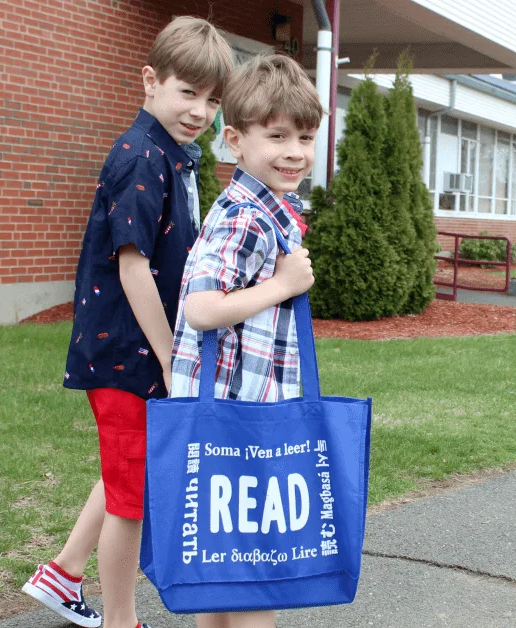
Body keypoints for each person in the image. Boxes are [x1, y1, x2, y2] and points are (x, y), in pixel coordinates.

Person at [22, 16, 233, 628]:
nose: (200, 111)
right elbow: (134, 269)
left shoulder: (172, 154)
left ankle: (62, 574)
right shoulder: (142, 156)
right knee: (131, 501)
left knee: (126, 472)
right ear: (151, 80)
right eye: (188, 93)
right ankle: (121, 621)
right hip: (129, 354)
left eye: (212, 100)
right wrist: (170, 357)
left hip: (134, 352)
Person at [168, 53, 324, 628]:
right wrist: (283, 284)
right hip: (238, 417)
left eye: (304, 136)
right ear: (233, 140)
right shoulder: (245, 218)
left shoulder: (269, 207)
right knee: (260, 569)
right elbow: (202, 308)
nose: (294, 151)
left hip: (238, 411)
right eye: (276, 135)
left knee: (227, 564)